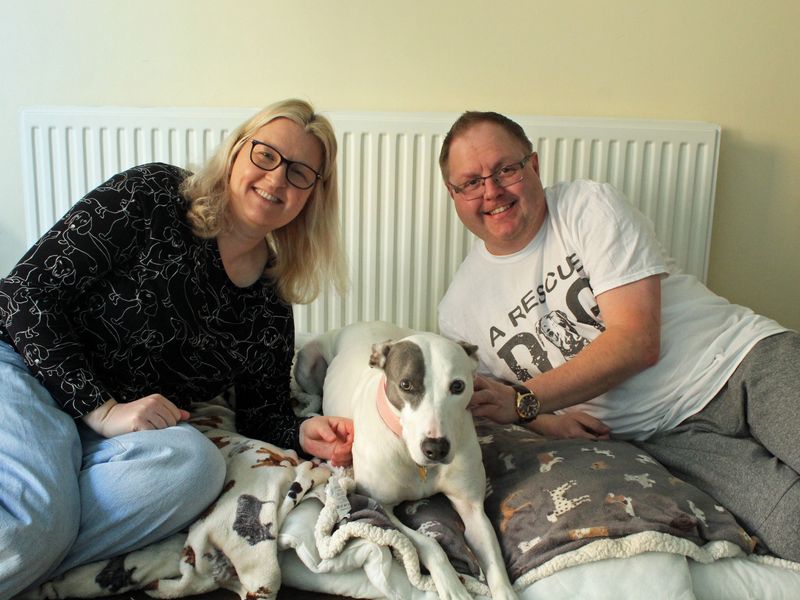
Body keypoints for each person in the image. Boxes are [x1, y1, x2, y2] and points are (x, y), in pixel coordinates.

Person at [0, 98, 355, 597]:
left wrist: (305, 430)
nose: (276, 179)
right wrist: (101, 410)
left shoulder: (269, 304)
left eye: (300, 173)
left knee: (197, 467)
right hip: (25, 370)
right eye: (266, 155)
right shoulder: (152, 194)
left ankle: (43, 539)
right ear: (235, 153)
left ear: (313, 196)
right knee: (39, 521)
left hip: (105, 435)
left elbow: (261, 416)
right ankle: (41, 534)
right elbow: (22, 293)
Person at [436, 110, 799, 562]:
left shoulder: (587, 205)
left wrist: (527, 401)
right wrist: (545, 419)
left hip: (740, 362)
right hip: (671, 438)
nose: (491, 191)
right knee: (792, 528)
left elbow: (636, 341)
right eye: (470, 182)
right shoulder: (458, 311)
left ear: (534, 165)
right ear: (453, 194)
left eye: (505, 169)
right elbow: (501, 402)